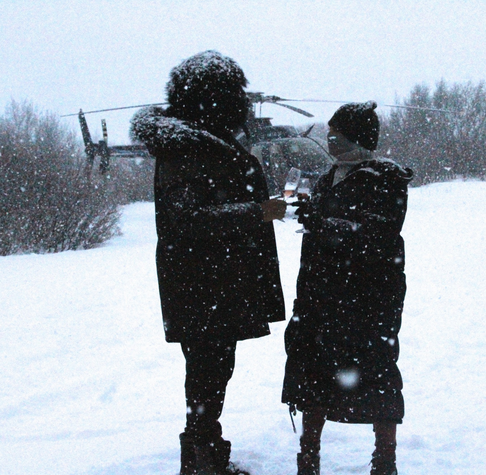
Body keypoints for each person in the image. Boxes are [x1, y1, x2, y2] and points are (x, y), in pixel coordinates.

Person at [131, 50, 287, 475]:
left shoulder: (201, 142)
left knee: (212, 369)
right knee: (207, 370)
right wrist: (257, 212)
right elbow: (187, 219)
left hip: (212, 279)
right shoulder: (187, 148)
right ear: (217, 97)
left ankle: (205, 453)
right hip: (203, 281)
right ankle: (202, 460)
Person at [281, 102, 413, 475]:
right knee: (314, 372)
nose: (329, 140)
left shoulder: (385, 178)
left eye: (336, 134)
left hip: (367, 298)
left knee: (376, 374)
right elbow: (329, 230)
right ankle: (308, 459)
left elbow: (376, 237)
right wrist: (311, 215)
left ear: (356, 138)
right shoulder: (329, 176)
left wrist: (322, 224)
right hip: (321, 296)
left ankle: (384, 461)